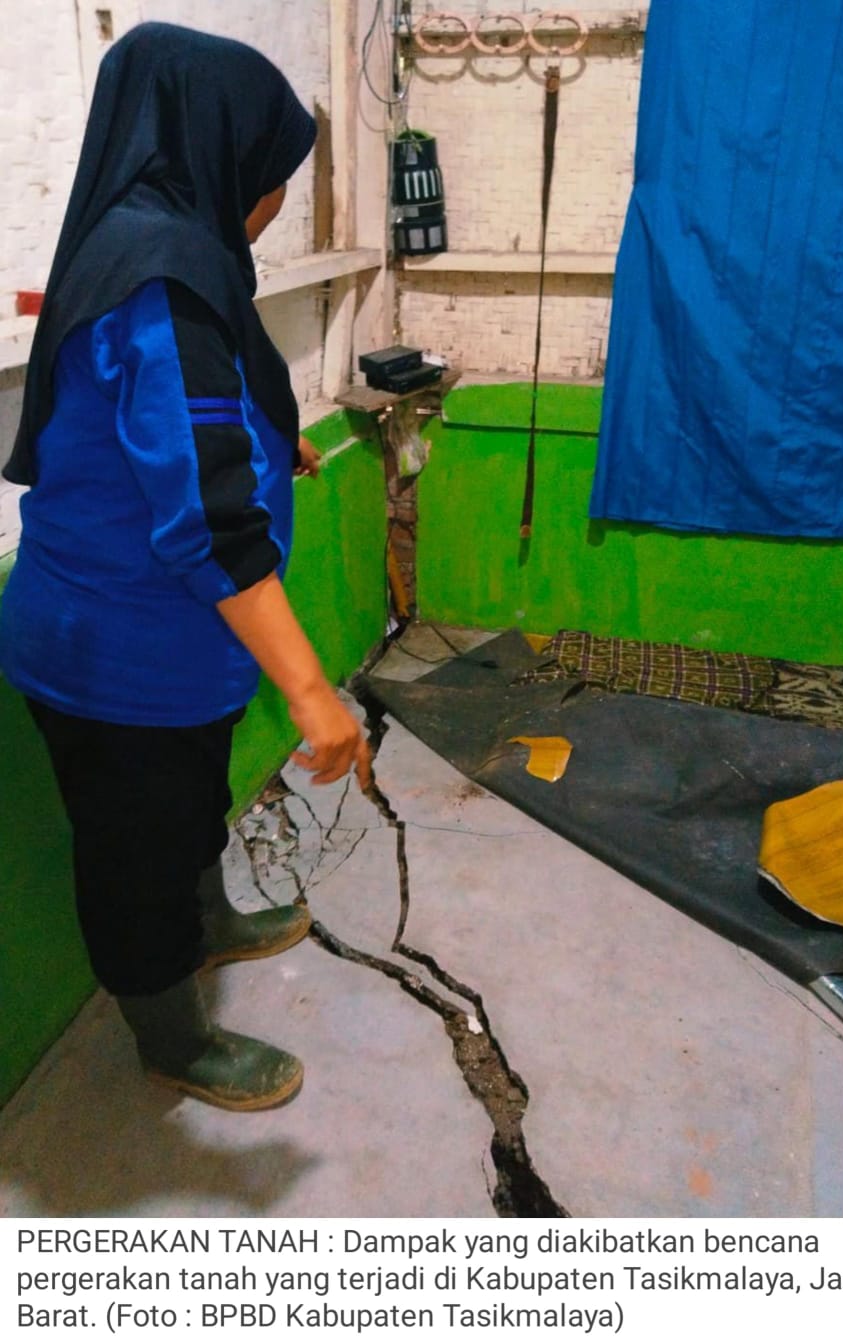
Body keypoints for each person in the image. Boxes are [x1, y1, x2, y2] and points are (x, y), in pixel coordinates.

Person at [0, 22, 371, 1111]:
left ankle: (207, 924)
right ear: (219, 146)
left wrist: (272, 440)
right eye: (274, 171)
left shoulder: (148, 243)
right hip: (117, 654)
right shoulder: (158, 277)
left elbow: (172, 423)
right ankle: (172, 1041)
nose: (276, 199)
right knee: (135, 859)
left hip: (170, 644)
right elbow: (204, 521)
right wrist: (313, 692)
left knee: (185, 805)